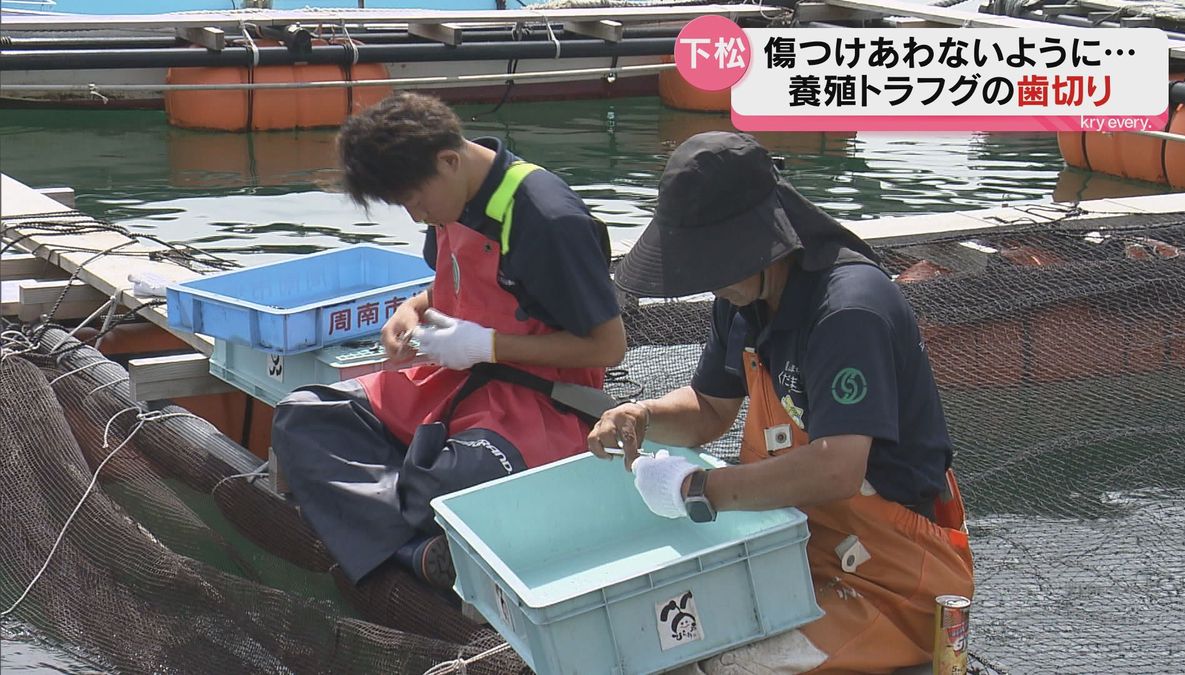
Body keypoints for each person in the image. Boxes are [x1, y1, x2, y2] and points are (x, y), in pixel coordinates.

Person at [588, 131, 973, 673]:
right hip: (793, 545)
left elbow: (839, 468)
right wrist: (643, 417)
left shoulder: (848, 311)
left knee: (721, 664)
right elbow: (709, 408)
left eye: (711, 263)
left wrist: (696, 489)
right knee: (655, 637)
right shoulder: (744, 296)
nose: (708, 283)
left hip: (891, 576)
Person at [273, 92, 626, 588]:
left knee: (452, 483)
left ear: (449, 160)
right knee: (303, 416)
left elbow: (608, 347)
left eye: (415, 201)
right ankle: (416, 546)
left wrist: (489, 347)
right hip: (452, 383)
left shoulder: (548, 218)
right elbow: (449, 280)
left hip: (541, 405)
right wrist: (412, 308)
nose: (417, 217)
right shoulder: (450, 196)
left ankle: (395, 534)